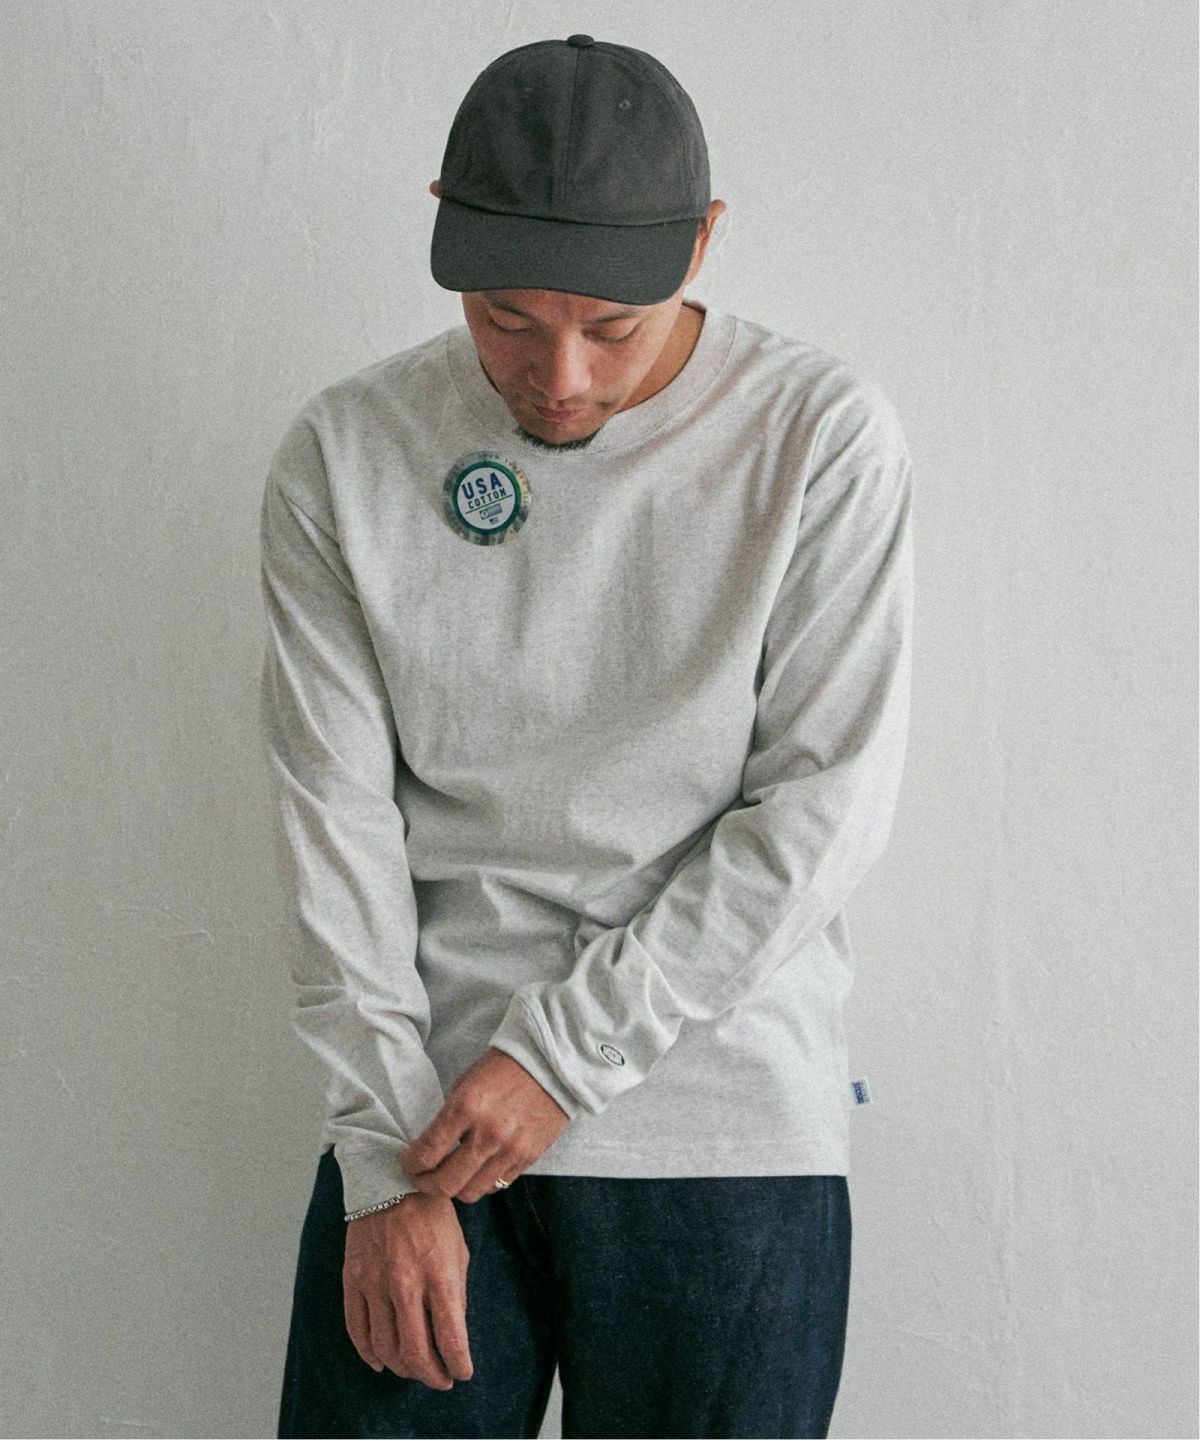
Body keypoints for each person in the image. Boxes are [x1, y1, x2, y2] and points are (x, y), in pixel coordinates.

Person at [257, 33, 914, 1440]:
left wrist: (561, 1061)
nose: (557, 376)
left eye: (612, 328)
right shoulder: (347, 455)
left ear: (702, 242)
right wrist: (379, 1159)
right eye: (506, 318)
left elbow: (821, 811)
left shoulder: (818, 439)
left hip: (721, 1130)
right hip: (422, 1136)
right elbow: (334, 823)